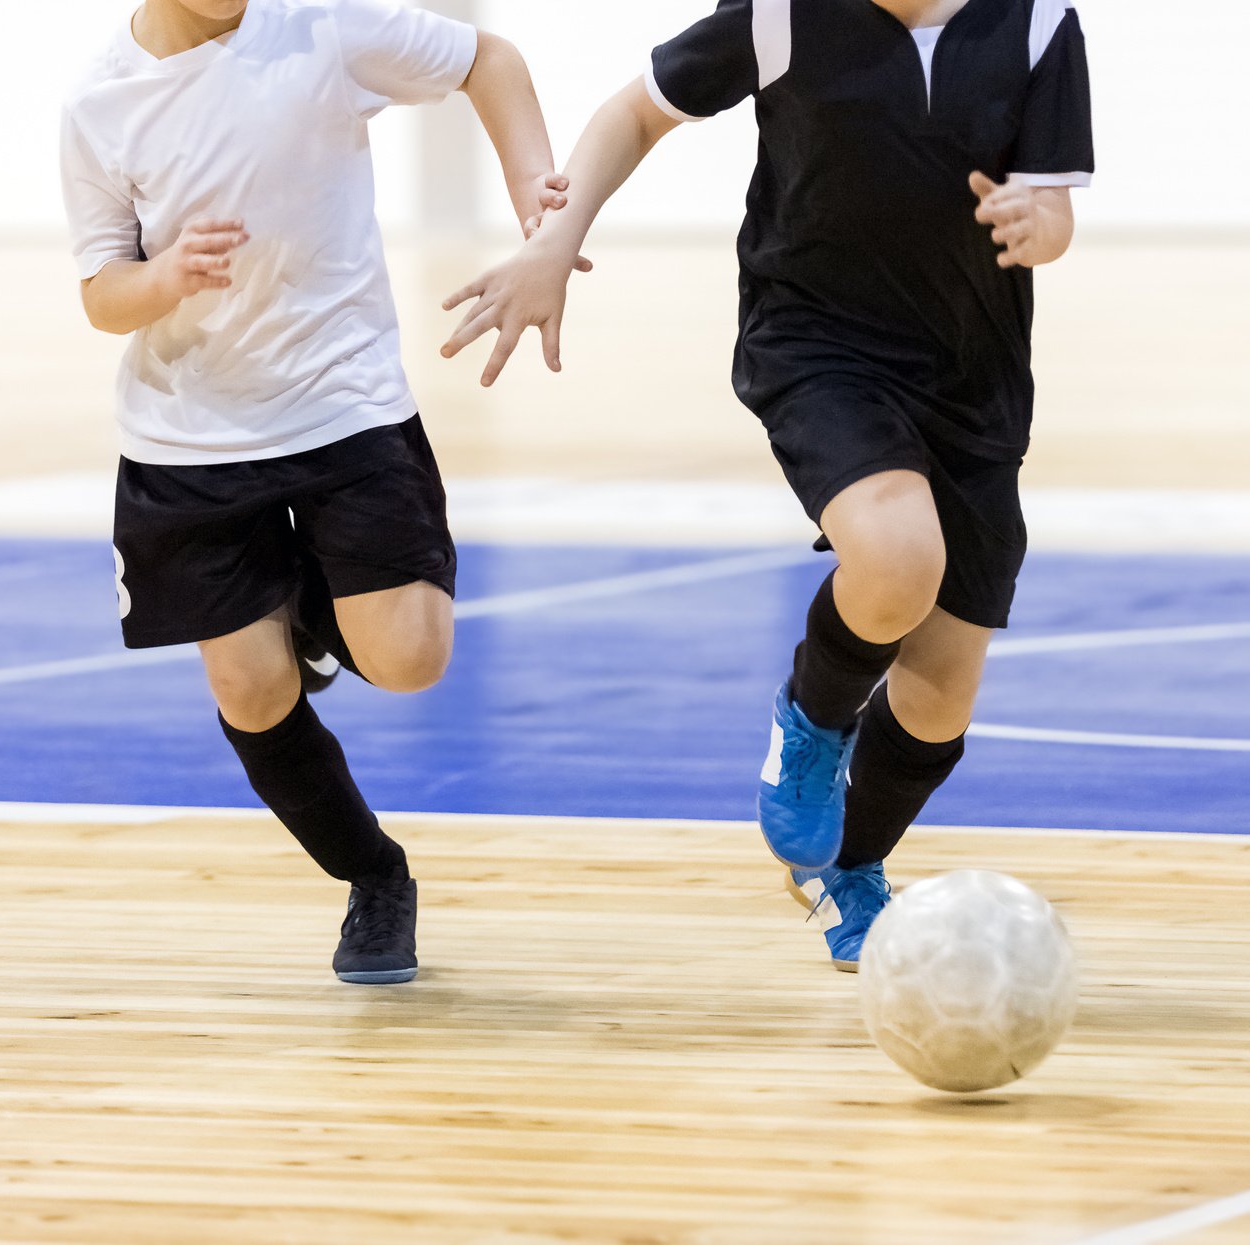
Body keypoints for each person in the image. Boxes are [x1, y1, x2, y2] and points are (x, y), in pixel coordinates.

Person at [440, 0, 1093, 968]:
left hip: (975, 375)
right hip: (819, 344)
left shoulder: (1038, 23)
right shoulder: (786, 14)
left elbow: (1056, 209)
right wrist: (553, 240)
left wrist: (1039, 223)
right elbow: (636, 112)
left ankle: (848, 867)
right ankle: (811, 719)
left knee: (943, 691)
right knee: (899, 555)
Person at [59, 0, 569, 983]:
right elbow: (99, 295)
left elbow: (489, 59)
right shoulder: (100, 102)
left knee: (412, 659)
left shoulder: (321, 27)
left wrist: (533, 200)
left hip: (344, 405)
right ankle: (376, 879)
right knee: (251, 691)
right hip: (189, 435)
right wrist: (162, 277)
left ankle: (306, 603)